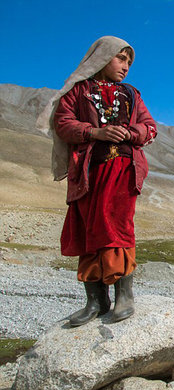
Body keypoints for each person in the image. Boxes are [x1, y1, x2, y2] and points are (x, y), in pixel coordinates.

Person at [37, 36, 157, 327]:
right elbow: (62, 123)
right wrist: (95, 132)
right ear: (102, 57)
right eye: (121, 58)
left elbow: (150, 127)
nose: (126, 66)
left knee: (114, 224)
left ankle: (124, 295)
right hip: (88, 172)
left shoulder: (131, 94)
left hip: (122, 169)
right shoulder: (78, 92)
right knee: (88, 228)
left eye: (129, 61)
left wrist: (129, 134)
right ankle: (96, 300)